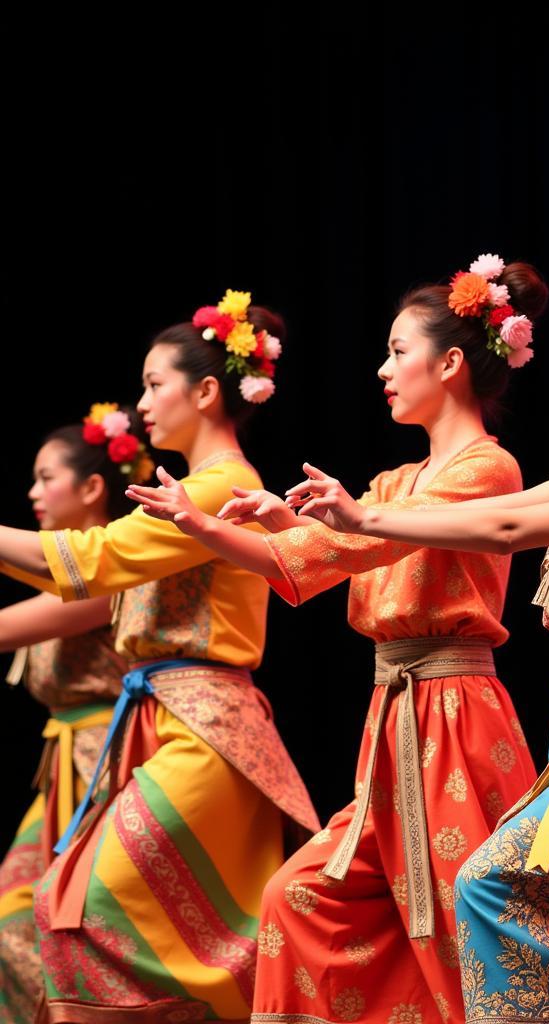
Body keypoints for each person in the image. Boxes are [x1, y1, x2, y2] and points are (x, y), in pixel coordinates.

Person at [230, 267, 549, 1020]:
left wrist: (363, 523)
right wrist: (324, 523)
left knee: (489, 890)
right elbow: (485, 514)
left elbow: (503, 527)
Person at [128, 256, 544, 1024]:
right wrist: (232, 525)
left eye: (396, 350)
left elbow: (361, 546)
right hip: (396, 723)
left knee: (465, 921)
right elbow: (322, 562)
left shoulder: (489, 469)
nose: (383, 368)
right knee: (298, 900)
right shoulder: (392, 485)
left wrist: (258, 526)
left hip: (454, 718)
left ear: (451, 363)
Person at [0, 291, 318, 1023]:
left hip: (206, 732)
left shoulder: (221, 488)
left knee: (79, 909)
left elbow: (93, 559)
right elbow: (93, 562)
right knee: (82, 917)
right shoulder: (182, 494)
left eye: (154, 384)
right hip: (159, 724)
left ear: (207, 391)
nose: (143, 401)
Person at [0, 407, 149, 1024]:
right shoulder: (64, 585)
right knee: (14, 922)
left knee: (83, 934)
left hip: (105, 771)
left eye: (45, 477)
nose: (33, 492)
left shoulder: (110, 581)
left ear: (92, 489)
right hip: (65, 770)